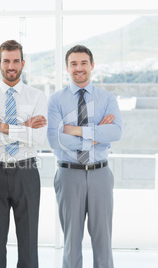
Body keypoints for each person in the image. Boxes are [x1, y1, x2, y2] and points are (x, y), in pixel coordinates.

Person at [47, 45, 123, 268]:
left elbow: (116, 132)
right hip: (68, 174)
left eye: (83, 63)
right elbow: (55, 139)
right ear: (67, 68)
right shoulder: (56, 100)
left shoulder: (107, 98)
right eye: (73, 64)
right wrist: (97, 133)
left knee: (103, 240)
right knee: (71, 241)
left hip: (100, 174)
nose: (79, 68)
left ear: (92, 65)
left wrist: (76, 130)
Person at [0, 40, 47, 268]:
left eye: (16, 60)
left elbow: (39, 138)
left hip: (26, 171)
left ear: (23, 63)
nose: (11, 65)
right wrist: (23, 128)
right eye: (6, 60)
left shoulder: (36, 97)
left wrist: (3, 127)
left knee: (28, 239)